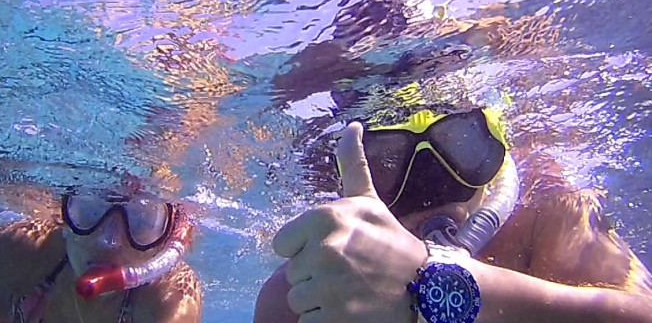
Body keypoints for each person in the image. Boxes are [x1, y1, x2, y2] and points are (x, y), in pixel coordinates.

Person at [254, 108, 652, 322]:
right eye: (387, 164)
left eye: (462, 148)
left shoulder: (546, 215)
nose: (432, 184)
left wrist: (439, 284)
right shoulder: (313, 282)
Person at [0, 189, 202, 323]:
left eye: (142, 221)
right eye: (90, 209)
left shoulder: (170, 301)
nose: (108, 240)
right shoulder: (22, 249)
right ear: (65, 218)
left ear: (168, 242)